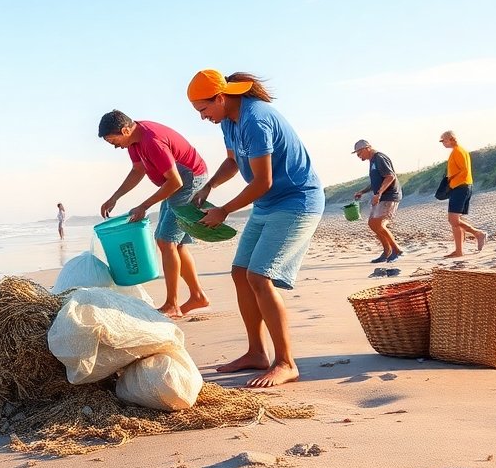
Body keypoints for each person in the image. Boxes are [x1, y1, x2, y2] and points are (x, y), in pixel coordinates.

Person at [187, 70, 323, 387]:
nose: (203, 117)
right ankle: (255, 353)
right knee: (240, 272)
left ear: (221, 98)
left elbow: (263, 181)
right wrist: (210, 187)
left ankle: (286, 362)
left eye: (204, 110)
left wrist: (223, 210)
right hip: (267, 204)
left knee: (259, 276)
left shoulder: (255, 120)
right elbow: (234, 162)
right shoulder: (230, 122)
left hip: (295, 201)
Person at [98, 110, 211, 319]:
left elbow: (176, 181)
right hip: (176, 181)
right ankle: (197, 296)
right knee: (176, 244)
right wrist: (115, 197)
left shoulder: (152, 141)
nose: (115, 146)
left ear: (125, 130)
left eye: (114, 141)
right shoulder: (133, 141)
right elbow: (137, 171)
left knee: (165, 241)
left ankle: (172, 304)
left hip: (189, 178)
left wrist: (144, 206)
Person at [351, 139, 404, 263]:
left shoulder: (379, 158)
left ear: (366, 148)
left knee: (378, 224)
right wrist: (362, 191)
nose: (359, 157)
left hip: (389, 196)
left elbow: (390, 176)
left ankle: (397, 250)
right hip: (380, 196)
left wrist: (379, 194)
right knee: (372, 223)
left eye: (359, 153)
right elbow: (376, 181)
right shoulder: (372, 161)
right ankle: (387, 252)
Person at [440, 130, 487, 257]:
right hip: (461, 186)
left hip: (461, 186)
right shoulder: (459, 151)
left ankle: (478, 233)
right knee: (456, 220)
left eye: (443, 140)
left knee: (453, 220)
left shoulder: (458, 151)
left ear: (451, 139)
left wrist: (450, 178)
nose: (442, 143)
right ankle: (459, 251)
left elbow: (464, 169)